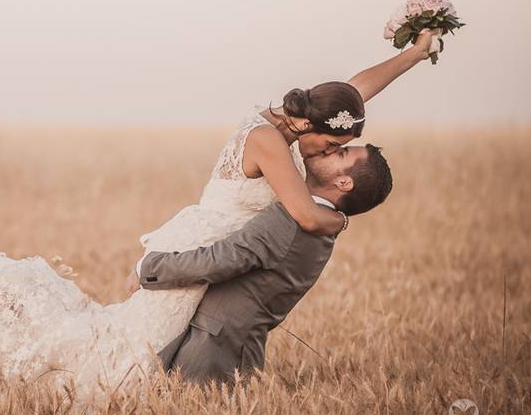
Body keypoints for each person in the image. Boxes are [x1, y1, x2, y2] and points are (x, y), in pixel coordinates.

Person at [0, 29, 442, 400]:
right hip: (205, 243)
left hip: (213, 242)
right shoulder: (268, 143)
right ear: (310, 129)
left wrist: (413, 55)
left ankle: (167, 404)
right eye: (335, 143)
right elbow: (307, 215)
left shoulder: (305, 118)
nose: (334, 151)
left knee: (144, 342)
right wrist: (340, 220)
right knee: (131, 352)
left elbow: (354, 92)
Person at [134, 144, 392, 386]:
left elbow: (219, 260)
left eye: (342, 153)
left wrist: (149, 267)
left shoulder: (292, 221)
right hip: (233, 348)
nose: (330, 148)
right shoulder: (322, 227)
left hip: (210, 351)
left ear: (343, 182)